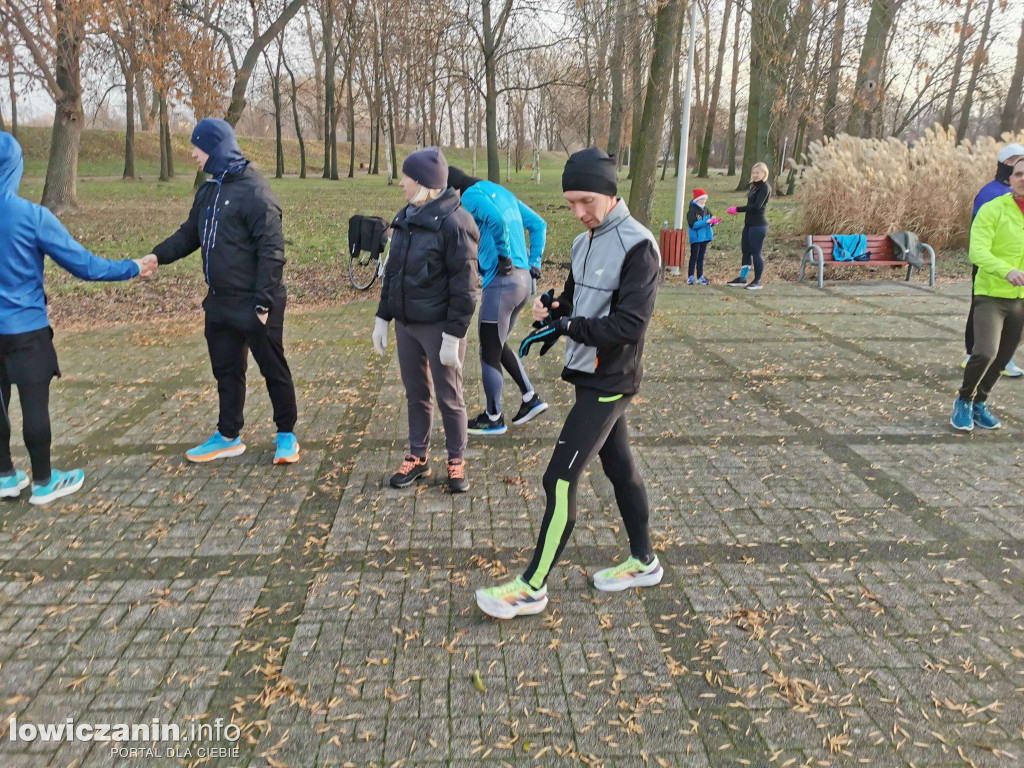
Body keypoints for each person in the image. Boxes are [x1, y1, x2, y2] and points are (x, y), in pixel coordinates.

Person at [475, 147, 662, 620]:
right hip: (586, 374)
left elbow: (628, 326)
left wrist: (568, 327)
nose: (578, 213)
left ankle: (531, 587)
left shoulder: (640, 246)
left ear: (609, 192)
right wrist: (553, 309)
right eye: (570, 204)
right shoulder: (585, 242)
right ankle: (644, 561)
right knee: (619, 467)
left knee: (558, 477)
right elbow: (576, 303)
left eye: (585, 201)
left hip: (613, 378)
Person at [0, 132, 156, 505]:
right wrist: (132, 267)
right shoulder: (32, 216)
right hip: (26, 329)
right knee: (34, 404)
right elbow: (84, 265)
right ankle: (43, 481)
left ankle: (4, 475)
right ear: (15, 168)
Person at [147, 118, 299, 465]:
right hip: (220, 302)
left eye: (197, 147)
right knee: (227, 371)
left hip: (257, 303)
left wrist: (263, 305)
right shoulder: (209, 190)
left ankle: (286, 435)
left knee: (273, 368)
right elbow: (190, 234)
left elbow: (272, 251)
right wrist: (158, 255)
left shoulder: (255, 191)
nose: (192, 154)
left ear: (215, 148)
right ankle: (228, 435)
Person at [372, 147, 480, 493]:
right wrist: (382, 316)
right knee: (416, 393)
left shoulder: (456, 223)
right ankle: (418, 457)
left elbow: (466, 287)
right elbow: (393, 273)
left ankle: (456, 459)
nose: (401, 183)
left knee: (450, 396)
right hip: (407, 324)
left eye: (408, 177)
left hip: (440, 328)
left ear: (425, 184)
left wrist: (453, 334)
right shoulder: (405, 217)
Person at [447, 166, 549, 436]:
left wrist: (503, 255)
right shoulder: (501, 193)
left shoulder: (469, 196)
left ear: (454, 189)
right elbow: (539, 224)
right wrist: (534, 261)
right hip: (523, 282)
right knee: (497, 342)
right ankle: (530, 398)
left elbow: (495, 221)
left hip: (502, 282)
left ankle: (494, 416)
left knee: (488, 350)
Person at [950, 158, 1024, 432]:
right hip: (991, 295)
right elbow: (977, 251)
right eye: (1019, 174)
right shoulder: (993, 209)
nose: (1023, 179)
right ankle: (964, 399)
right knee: (985, 352)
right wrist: (1006, 271)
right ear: (1011, 178)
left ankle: (980, 402)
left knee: (1004, 358)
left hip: (1022, 299)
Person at [962, 143, 1024, 377]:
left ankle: (1002, 357)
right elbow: (978, 233)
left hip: (1016, 275)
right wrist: (996, 265)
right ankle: (973, 353)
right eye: (1017, 163)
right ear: (1006, 164)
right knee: (980, 308)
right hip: (988, 264)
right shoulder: (990, 192)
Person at [726, 161, 771, 290]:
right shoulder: (754, 187)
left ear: (764, 174)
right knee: (746, 252)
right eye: (753, 172)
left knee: (756, 253)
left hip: (758, 225)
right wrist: (738, 211)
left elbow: (757, 206)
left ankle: (758, 281)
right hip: (749, 224)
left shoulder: (764, 187)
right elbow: (750, 206)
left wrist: (738, 209)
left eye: (758, 172)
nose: (755, 175)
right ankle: (742, 278)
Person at [685, 188, 721, 285]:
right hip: (696, 238)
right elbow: (693, 225)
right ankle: (690, 276)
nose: (703, 201)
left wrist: (713, 222)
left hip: (705, 237)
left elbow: (710, 222)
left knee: (701, 257)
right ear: (696, 200)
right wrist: (705, 222)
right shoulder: (691, 211)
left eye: (705, 199)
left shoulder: (706, 210)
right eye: (701, 199)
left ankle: (700, 276)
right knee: (694, 256)